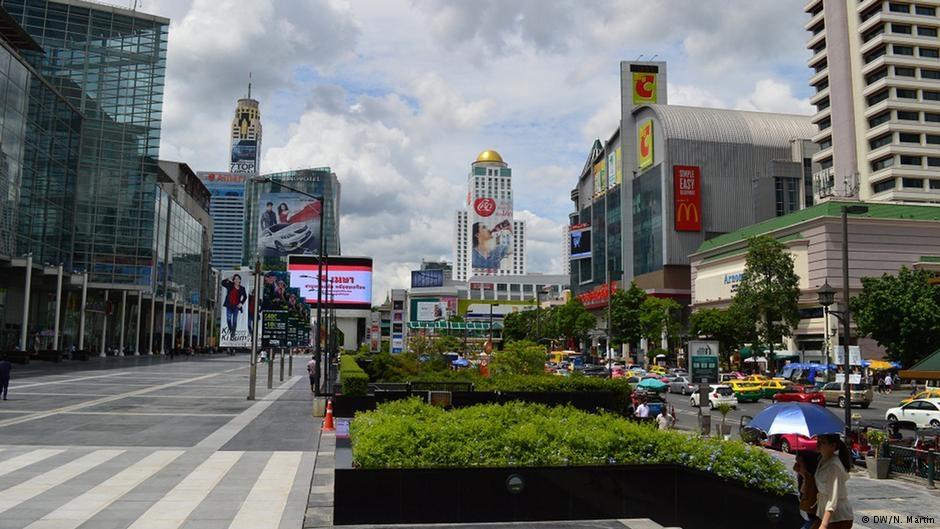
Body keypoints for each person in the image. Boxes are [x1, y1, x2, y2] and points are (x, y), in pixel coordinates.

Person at [814, 434, 854, 529]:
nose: (818, 444)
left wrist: (823, 525)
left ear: (833, 446)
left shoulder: (833, 466)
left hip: (838, 517)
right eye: (818, 441)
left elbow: (833, 499)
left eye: (822, 442)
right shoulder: (822, 459)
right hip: (824, 514)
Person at [793, 450, 820, 529]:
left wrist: (805, 475)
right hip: (807, 519)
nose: (797, 465)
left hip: (812, 520)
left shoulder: (813, 481)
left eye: (800, 463)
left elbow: (807, 499)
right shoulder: (804, 478)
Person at [221, 274, 247, 340]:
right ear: (233, 280)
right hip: (229, 305)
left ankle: (233, 333)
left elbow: (245, 297)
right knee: (228, 319)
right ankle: (231, 330)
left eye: (238, 279)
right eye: (235, 279)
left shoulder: (242, 288)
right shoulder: (230, 285)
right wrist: (228, 278)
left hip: (236, 306)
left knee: (234, 320)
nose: (236, 280)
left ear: (240, 280)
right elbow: (222, 283)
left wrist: (241, 303)